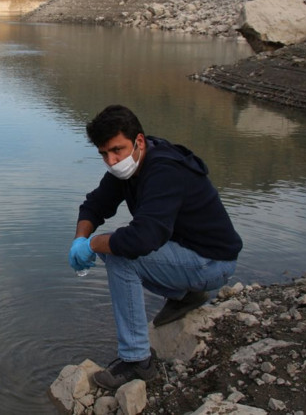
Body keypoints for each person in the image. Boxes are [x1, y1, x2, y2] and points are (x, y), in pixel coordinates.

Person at [68, 104, 242, 391]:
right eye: (104, 154)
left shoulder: (164, 170)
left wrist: (94, 243)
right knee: (111, 245)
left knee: (122, 256)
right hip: (188, 251)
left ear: (138, 141)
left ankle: (138, 362)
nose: (111, 161)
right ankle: (186, 295)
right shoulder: (128, 168)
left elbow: (143, 239)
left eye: (116, 150)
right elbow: (95, 205)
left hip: (213, 262)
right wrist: (79, 239)